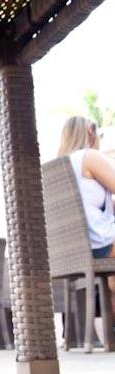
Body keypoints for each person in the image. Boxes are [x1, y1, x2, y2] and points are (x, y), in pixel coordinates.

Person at [57, 116, 115, 320]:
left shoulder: (60, 166)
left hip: (73, 251)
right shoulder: (89, 156)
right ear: (90, 132)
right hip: (101, 244)